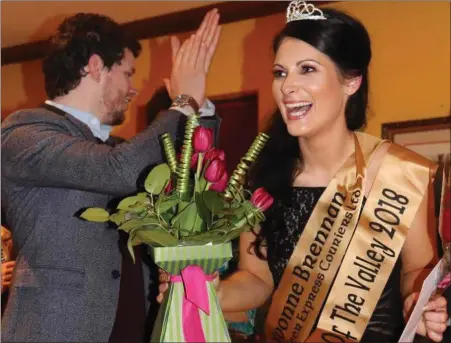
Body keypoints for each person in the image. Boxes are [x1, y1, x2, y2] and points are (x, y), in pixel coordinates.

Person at [159, 2, 449, 342]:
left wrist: (421, 300)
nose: (287, 86)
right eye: (281, 73)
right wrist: (211, 293)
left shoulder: (399, 172)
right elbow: (257, 279)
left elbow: (416, 271)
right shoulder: (263, 176)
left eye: (307, 69)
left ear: (351, 82)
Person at [1, 8, 221, 343]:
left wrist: (199, 106)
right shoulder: (23, 132)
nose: (133, 89)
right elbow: (118, 171)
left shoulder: (117, 149)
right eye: (128, 73)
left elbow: (193, 181)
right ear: (95, 66)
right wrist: (184, 102)